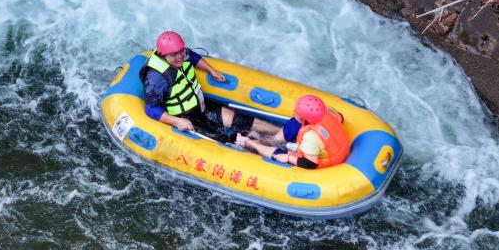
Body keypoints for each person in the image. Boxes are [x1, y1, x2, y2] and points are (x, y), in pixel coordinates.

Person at [141, 31, 275, 142]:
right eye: (174, 54)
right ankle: (257, 145)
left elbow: (193, 57)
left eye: (181, 51)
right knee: (224, 140)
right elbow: (151, 108)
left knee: (240, 120)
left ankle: (279, 132)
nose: (180, 57)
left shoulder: (182, 54)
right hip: (184, 117)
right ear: (162, 54)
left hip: (201, 105)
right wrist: (176, 121)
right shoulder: (156, 78)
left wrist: (211, 70)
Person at [236, 94, 350, 169]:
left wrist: (288, 158)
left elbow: (310, 163)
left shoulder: (310, 137)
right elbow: (340, 118)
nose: (294, 111)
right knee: (295, 124)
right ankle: (272, 139)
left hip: (327, 161)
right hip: (340, 147)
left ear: (303, 119)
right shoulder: (328, 110)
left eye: (296, 112)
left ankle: (251, 143)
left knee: (279, 155)